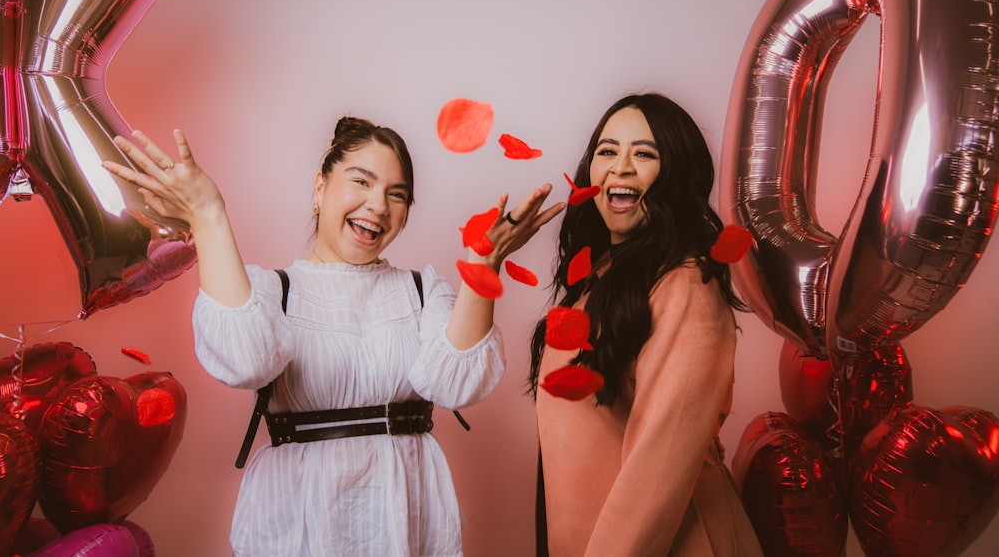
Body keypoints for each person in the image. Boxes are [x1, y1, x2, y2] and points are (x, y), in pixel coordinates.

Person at [103, 116, 565, 557]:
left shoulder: (424, 292)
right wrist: (208, 214)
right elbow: (243, 360)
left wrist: (483, 266)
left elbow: (457, 385)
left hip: (405, 511)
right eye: (361, 181)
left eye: (397, 194)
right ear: (320, 186)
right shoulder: (270, 290)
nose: (379, 206)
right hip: (299, 516)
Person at [528, 93, 763, 556]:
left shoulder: (686, 283)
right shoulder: (601, 277)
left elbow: (659, 466)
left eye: (645, 153)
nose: (621, 167)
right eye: (608, 150)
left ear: (676, 174)